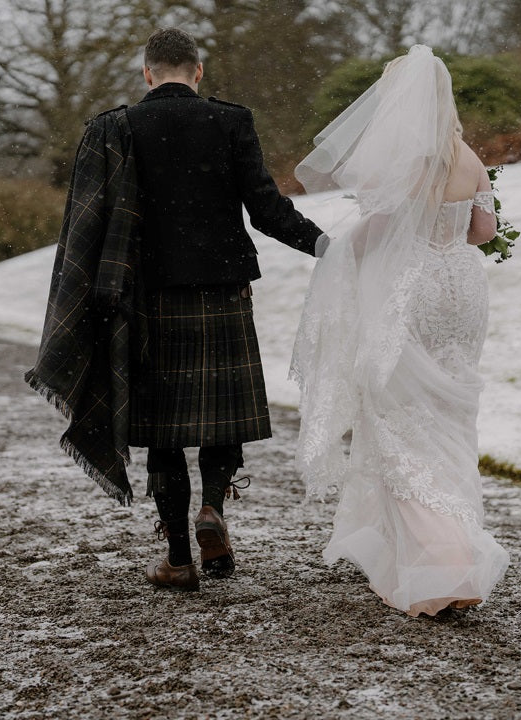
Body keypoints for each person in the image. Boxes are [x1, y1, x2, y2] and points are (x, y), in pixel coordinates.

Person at [26, 28, 325, 592]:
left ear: (146, 74)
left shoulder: (115, 129)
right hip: (222, 290)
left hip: (149, 298)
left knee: (163, 431)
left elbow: (87, 228)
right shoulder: (230, 121)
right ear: (199, 71)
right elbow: (266, 208)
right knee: (219, 418)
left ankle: (179, 557)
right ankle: (213, 509)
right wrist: (323, 244)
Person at [291, 45, 510, 617]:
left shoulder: (408, 162)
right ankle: (447, 544)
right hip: (463, 292)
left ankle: (441, 564)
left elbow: (384, 232)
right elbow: (484, 232)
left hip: (415, 290)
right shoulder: (469, 158)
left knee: (398, 417)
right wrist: (451, 228)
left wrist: (340, 252)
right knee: (449, 414)